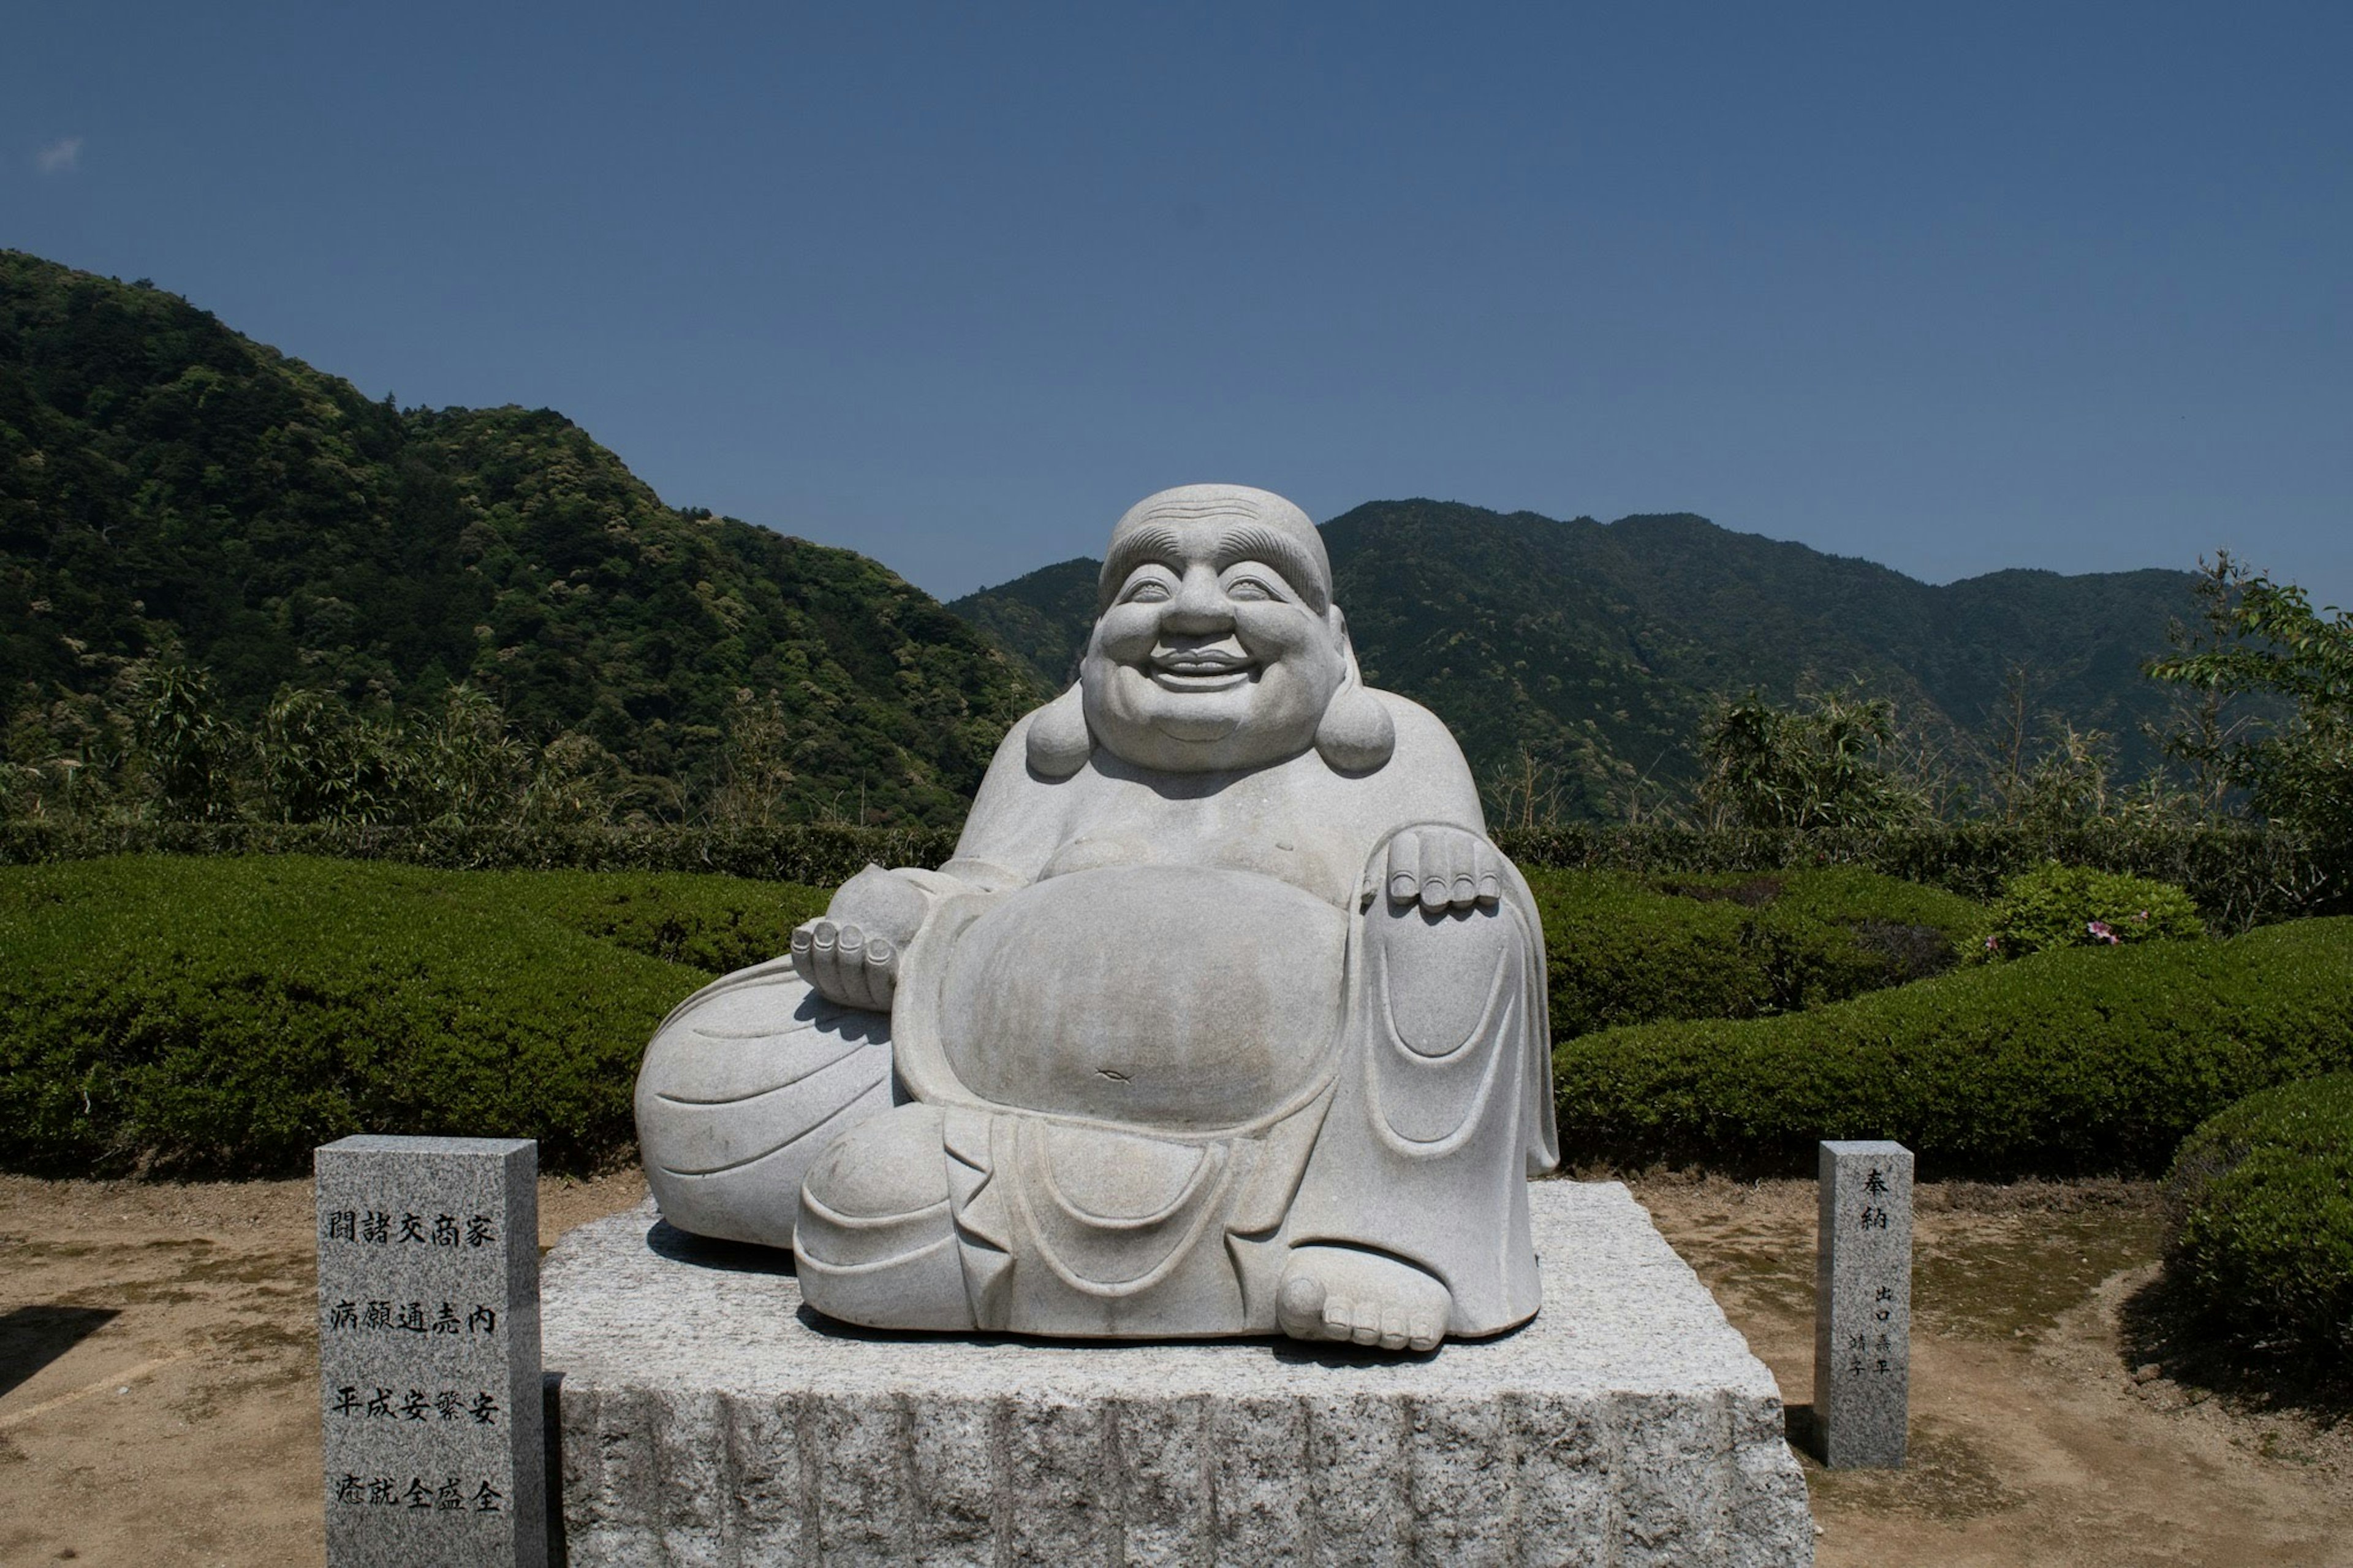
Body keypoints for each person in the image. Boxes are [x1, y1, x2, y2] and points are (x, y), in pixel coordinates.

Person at [635, 484, 1556, 1352]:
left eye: (1251, 586)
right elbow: (976, 885)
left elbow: (1470, 924)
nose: (1193, 613)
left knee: (1457, 919)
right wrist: (894, 914)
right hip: (990, 1090)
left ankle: (1388, 1242)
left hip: (1319, 1132)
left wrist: (1445, 859)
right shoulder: (1055, 762)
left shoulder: (1396, 752)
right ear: (1094, 639)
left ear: (1334, 639)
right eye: (1149, 586)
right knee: (698, 1083)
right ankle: (1251, 1257)